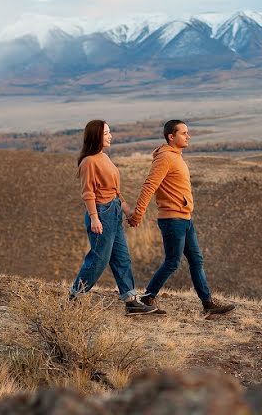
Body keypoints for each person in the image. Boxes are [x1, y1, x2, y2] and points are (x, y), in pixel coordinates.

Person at [128, 120, 235, 316]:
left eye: (188, 132)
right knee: (172, 262)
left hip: (184, 218)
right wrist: (138, 214)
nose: (188, 136)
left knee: (196, 259)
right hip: (172, 220)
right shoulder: (165, 158)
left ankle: (208, 303)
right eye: (184, 133)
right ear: (171, 136)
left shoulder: (176, 156)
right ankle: (147, 297)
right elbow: (149, 186)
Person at [70, 120, 156, 315]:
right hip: (101, 213)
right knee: (98, 259)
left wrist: (125, 209)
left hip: (114, 210)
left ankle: (131, 300)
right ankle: (75, 297)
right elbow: (88, 193)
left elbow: (114, 190)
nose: (111, 136)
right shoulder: (89, 161)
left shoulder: (104, 157)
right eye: (107, 133)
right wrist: (94, 218)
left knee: (122, 257)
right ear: (96, 136)